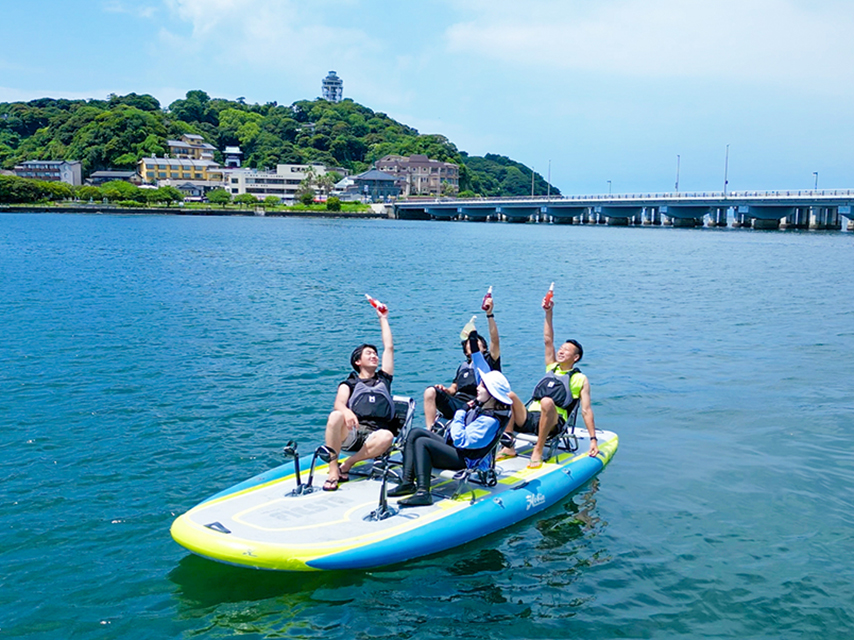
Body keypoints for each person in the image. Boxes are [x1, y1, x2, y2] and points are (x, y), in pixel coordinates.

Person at [497, 291, 599, 467]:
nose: (560, 351)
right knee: (508, 395)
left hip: (554, 422)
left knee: (546, 402)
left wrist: (593, 439)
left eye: (566, 350)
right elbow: (547, 340)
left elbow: (586, 410)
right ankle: (508, 446)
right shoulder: (551, 367)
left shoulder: (580, 379)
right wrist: (548, 312)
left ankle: (538, 449)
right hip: (531, 418)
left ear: (575, 357)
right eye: (561, 348)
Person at [388, 368, 514, 507]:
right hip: (456, 449)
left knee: (422, 443)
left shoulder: (489, 421)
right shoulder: (481, 406)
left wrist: (461, 412)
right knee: (415, 433)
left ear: (491, 393)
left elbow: (461, 440)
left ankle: (424, 492)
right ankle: (407, 483)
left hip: (465, 459)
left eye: (482, 385)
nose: (478, 387)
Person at [322, 303, 395, 491]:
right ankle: (332, 469)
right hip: (353, 432)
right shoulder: (350, 383)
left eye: (375, 354)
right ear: (357, 361)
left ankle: (347, 464)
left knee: (387, 436)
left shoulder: (383, 379)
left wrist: (383, 318)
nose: (374, 356)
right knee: (335, 415)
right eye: (369, 354)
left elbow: (389, 348)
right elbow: (339, 403)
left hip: (375, 436)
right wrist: (346, 411)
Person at [423, 295, 501, 428]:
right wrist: (445, 390)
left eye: (476, 341)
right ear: (465, 351)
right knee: (430, 391)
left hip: (476, 405)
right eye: (469, 343)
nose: (472, 343)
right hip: (457, 403)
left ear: (484, 347)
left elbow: (495, 340)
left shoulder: (489, 360)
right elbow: (453, 388)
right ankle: (430, 430)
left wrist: (489, 314)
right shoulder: (463, 367)